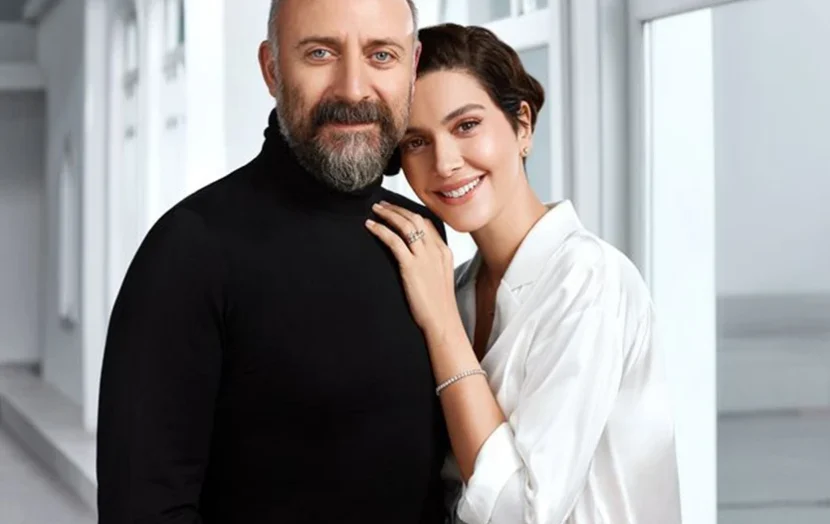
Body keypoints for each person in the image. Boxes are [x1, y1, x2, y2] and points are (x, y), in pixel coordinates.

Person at [96, 1, 451, 522]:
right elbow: (144, 510)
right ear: (271, 69)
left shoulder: (422, 232)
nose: (353, 89)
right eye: (320, 53)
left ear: (412, 68)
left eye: (381, 55)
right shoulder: (189, 249)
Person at [366, 23, 682, 524]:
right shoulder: (455, 289)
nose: (445, 162)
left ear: (522, 126)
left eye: (466, 125)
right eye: (417, 141)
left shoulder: (588, 279)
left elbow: (524, 514)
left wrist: (441, 323)